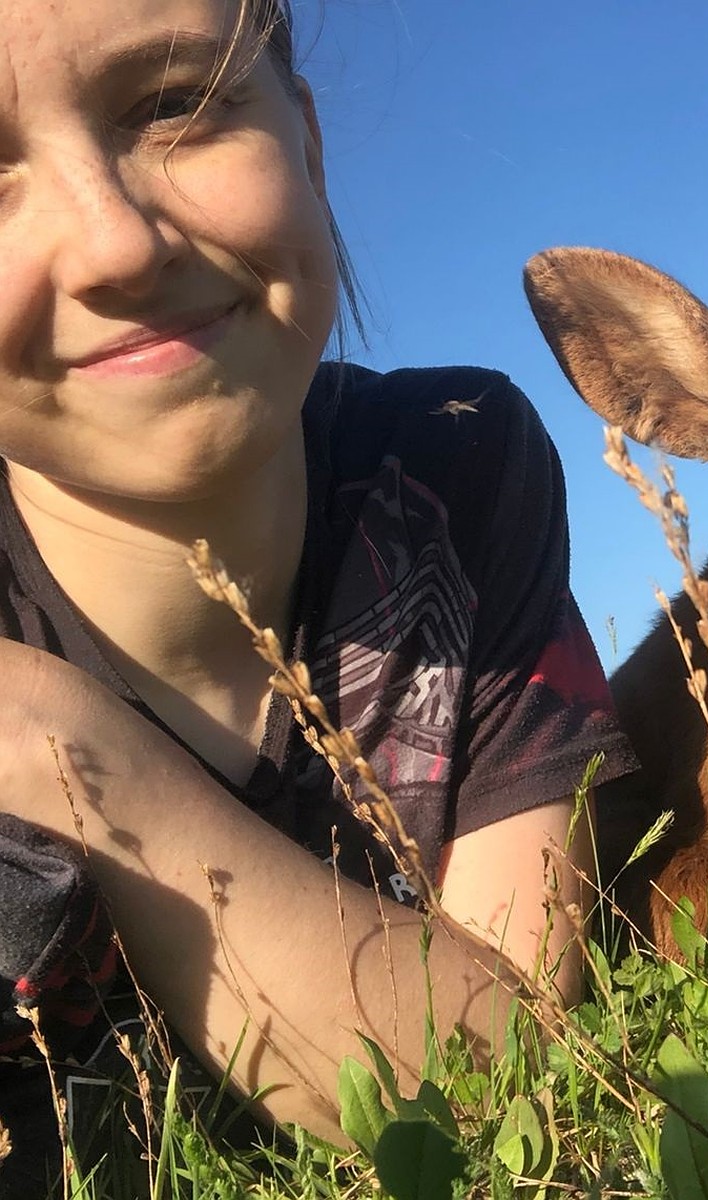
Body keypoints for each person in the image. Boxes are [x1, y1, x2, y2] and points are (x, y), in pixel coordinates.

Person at [0, 0, 638, 1191]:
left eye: (175, 104)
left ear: (307, 140)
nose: (116, 245)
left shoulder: (455, 468)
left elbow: (509, 1075)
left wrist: (53, 744)